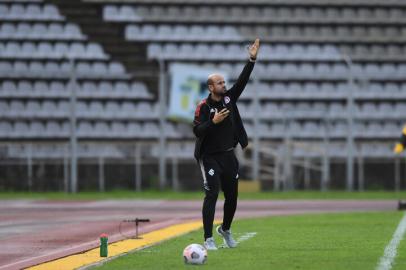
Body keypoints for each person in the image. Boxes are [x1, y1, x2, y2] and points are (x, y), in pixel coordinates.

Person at [193, 38, 260, 250]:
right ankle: (208, 238)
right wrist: (213, 122)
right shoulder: (203, 106)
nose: (224, 85)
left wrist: (252, 59)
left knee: (232, 196)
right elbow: (197, 130)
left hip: (228, 155)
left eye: (224, 82)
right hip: (210, 156)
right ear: (211, 87)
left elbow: (242, 81)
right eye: (220, 83)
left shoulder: (229, 99)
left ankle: (226, 229)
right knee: (212, 194)